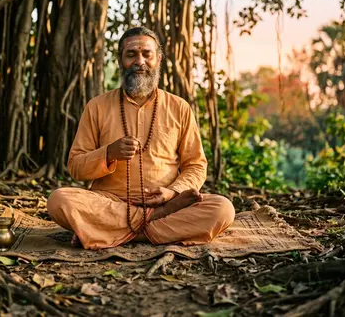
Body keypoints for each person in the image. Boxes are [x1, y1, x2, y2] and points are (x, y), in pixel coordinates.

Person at [47, 27, 235, 250]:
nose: (139, 61)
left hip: (170, 202)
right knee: (59, 201)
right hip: (110, 202)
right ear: (120, 60)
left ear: (158, 59)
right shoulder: (96, 106)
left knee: (223, 208)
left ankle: (107, 232)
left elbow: (196, 165)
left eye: (147, 54)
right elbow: (76, 166)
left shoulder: (179, 107)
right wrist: (108, 153)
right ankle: (154, 221)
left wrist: (172, 192)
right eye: (131, 54)